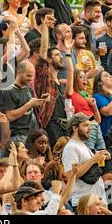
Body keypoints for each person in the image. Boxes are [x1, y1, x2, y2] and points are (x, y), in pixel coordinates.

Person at [34, 18, 74, 147]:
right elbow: (44, 51)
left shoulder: (61, 84)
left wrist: (67, 52)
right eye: (57, 55)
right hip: (50, 123)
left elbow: (71, 74)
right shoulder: (44, 77)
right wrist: (45, 28)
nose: (60, 57)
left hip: (65, 125)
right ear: (49, 60)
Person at [61, 113, 108, 209]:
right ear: (75, 128)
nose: (89, 128)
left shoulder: (82, 145)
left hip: (96, 201)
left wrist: (100, 156)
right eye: (85, 125)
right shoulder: (71, 147)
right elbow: (71, 176)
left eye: (89, 125)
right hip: (84, 203)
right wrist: (93, 160)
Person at [0, 61, 45, 146]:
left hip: (32, 134)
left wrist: (42, 100)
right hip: (19, 136)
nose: (31, 79)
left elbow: (32, 109)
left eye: (32, 76)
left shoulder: (28, 89)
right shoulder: (9, 91)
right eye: (28, 75)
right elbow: (10, 116)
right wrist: (29, 104)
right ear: (19, 72)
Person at [68, 70, 104, 151]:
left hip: (96, 127)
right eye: (81, 77)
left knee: (103, 156)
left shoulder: (86, 95)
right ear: (75, 80)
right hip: (86, 128)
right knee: (90, 155)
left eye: (85, 77)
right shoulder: (71, 93)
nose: (85, 79)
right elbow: (68, 80)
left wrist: (94, 106)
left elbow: (98, 120)